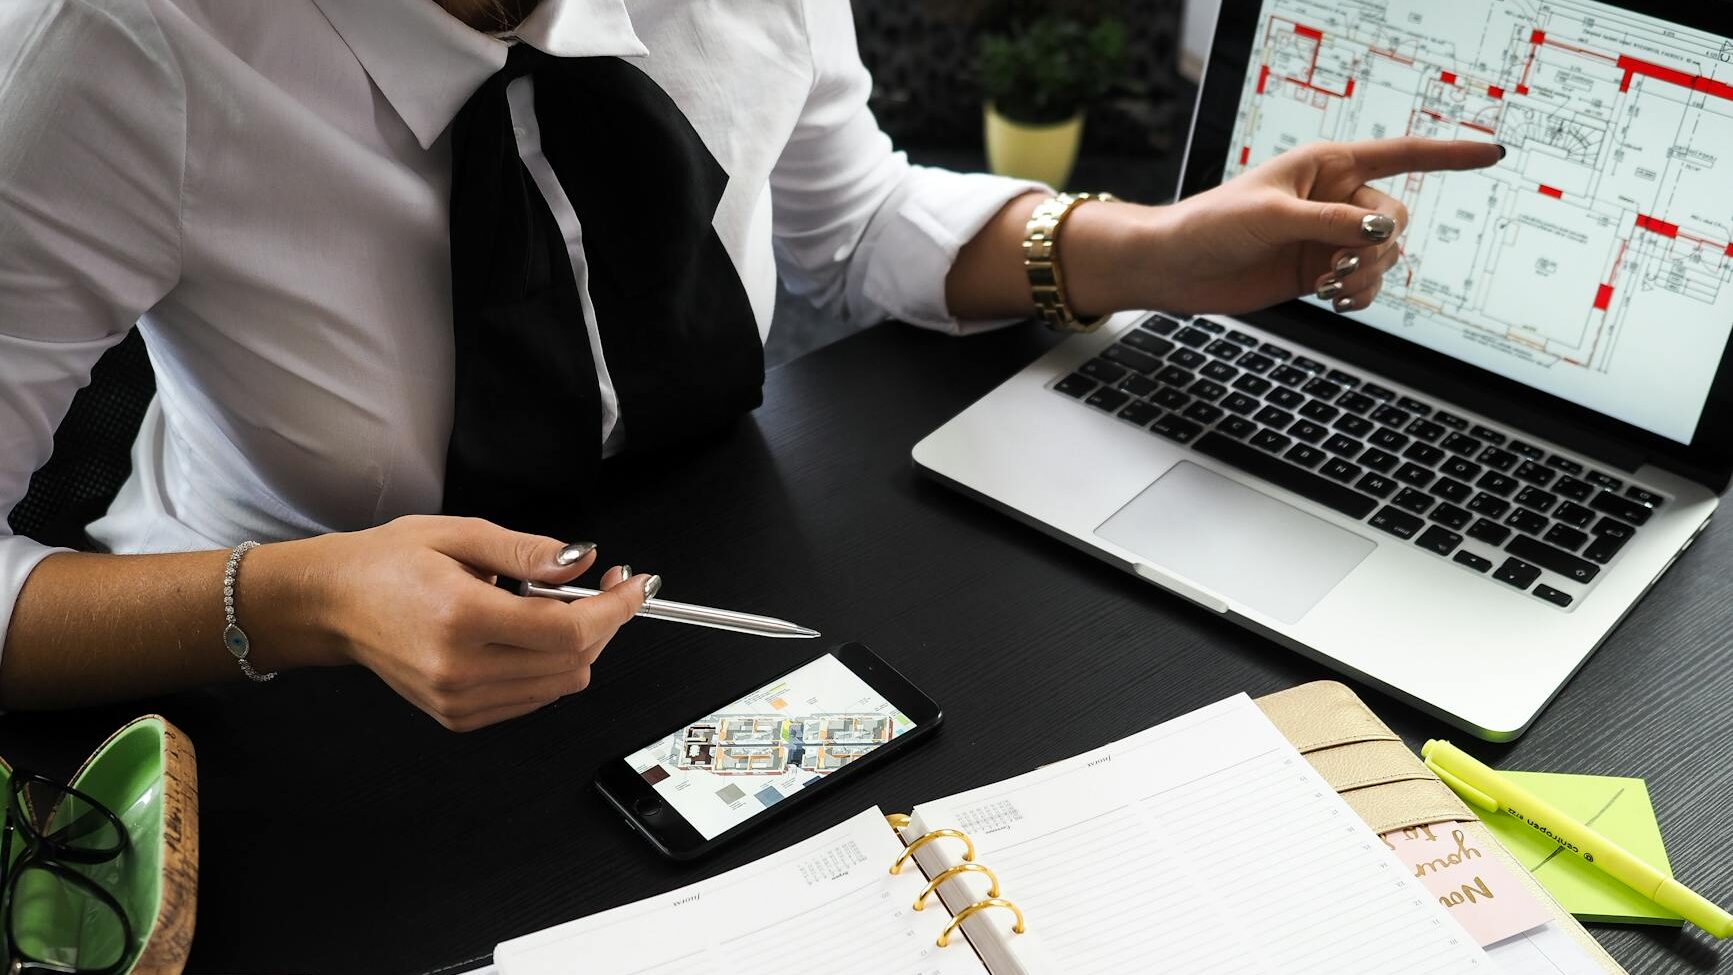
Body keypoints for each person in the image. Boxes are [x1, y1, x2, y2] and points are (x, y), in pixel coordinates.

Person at [0, 0, 1500, 730]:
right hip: (284, 684)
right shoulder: (102, 55)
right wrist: (309, 599)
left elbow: (843, 219)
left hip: (713, 562)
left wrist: (1133, 247)